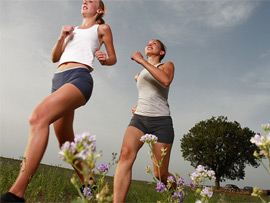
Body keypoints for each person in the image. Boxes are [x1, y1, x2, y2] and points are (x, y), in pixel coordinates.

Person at [1, 0, 116, 202]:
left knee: (38, 117)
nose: (85, 1)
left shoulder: (102, 28)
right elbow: (55, 57)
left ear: (99, 10)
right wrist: (62, 37)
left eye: (91, 1)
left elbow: (112, 58)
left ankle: (15, 194)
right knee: (66, 143)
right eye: (84, 0)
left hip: (79, 77)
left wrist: (104, 59)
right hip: (58, 79)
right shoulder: (71, 31)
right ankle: (90, 184)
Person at [113, 39, 175, 202]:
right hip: (139, 119)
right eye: (148, 43)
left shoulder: (167, 65)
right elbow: (147, 93)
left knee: (160, 174)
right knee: (125, 155)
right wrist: (137, 106)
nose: (150, 44)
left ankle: (176, 194)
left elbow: (165, 80)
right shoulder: (139, 75)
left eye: (155, 44)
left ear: (161, 52)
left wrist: (141, 60)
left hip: (161, 122)